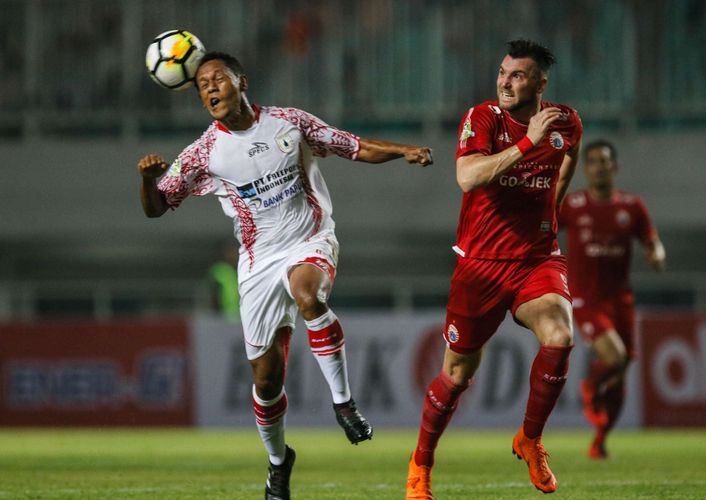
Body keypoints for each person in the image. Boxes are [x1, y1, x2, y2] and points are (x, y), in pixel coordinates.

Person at [137, 51, 433, 500]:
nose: (212, 89)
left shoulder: (289, 123)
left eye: (219, 79)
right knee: (266, 379)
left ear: (242, 81)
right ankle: (278, 463)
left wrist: (403, 150)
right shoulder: (203, 152)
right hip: (257, 261)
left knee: (309, 296)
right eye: (203, 86)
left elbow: (352, 145)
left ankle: (343, 403)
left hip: (310, 240)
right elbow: (156, 207)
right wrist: (148, 179)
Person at [405, 39, 582, 498]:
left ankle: (530, 438)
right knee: (457, 377)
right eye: (502, 72)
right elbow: (467, 177)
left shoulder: (567, 123)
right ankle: (421, 463)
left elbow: (567, 162)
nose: (505, 81)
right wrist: (528, 143)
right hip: (480, 266)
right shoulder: (482, 118)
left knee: (560, 336)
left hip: (537, 259)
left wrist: (552, 213)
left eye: (517, 75)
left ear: (541, 83)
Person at [558, 139, 665, 459]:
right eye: (593, 161)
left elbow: (652, 241)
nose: (600, 166)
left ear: (614, 167)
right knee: (616, 357)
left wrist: (656, 254)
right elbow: (542, 229)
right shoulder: (573, 205)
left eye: (605, 161)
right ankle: (590, 386)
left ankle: (601, 438)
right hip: (586, 300)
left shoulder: (632, 207)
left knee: (621, 371)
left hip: (621, 300)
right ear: (586, 169)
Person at [207, 239, 241, 321]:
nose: (233, 255)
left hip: (239, 314)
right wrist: (216, 313)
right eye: (230, 252)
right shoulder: (218, 270)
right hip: (223, 315)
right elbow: (213, 293)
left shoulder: (240, 269)